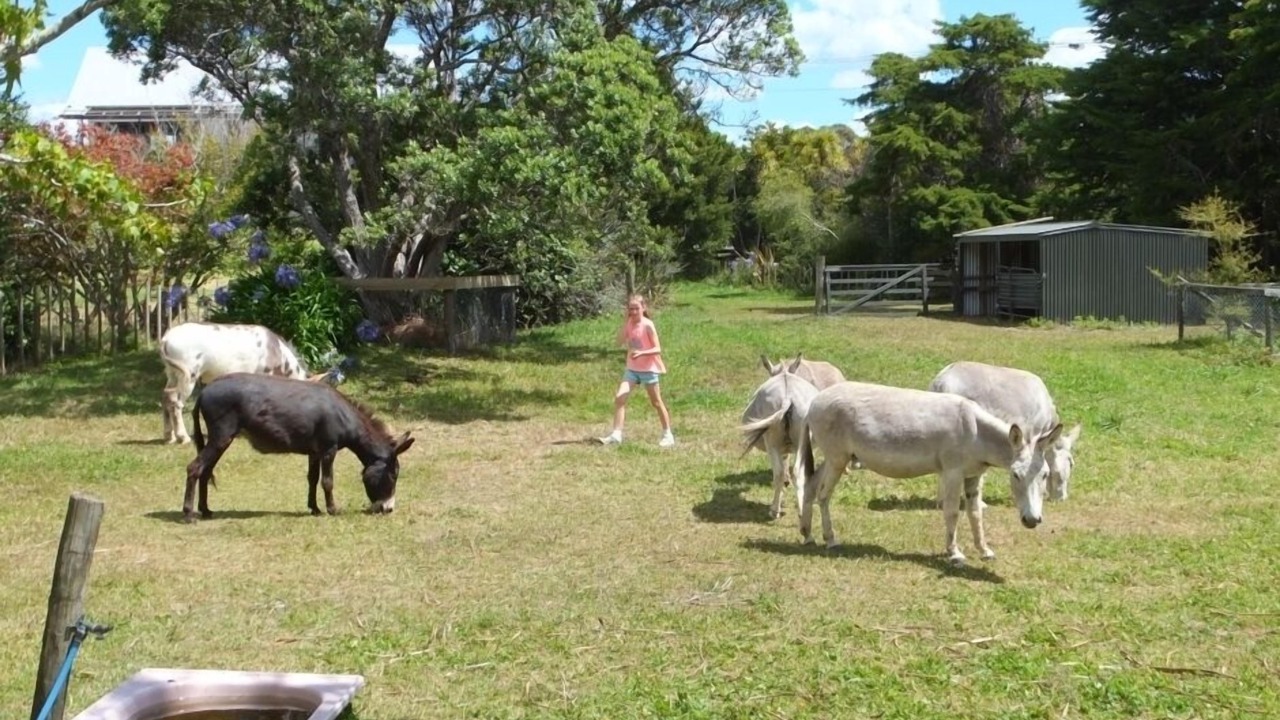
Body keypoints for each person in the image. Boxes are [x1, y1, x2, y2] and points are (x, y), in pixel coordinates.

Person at [598, 294, 675, 447]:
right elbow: (619, 342)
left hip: (649, 370)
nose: (633, 312)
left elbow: (657, 349)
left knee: (656, 402)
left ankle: (668, 434)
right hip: (632, 369)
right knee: (620, 398)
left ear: (643, 308)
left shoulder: (648, 325)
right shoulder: (629, 324)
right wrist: (625, 323)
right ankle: (616, 435)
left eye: (636, 309)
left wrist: (642, 353)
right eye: (630, 309)